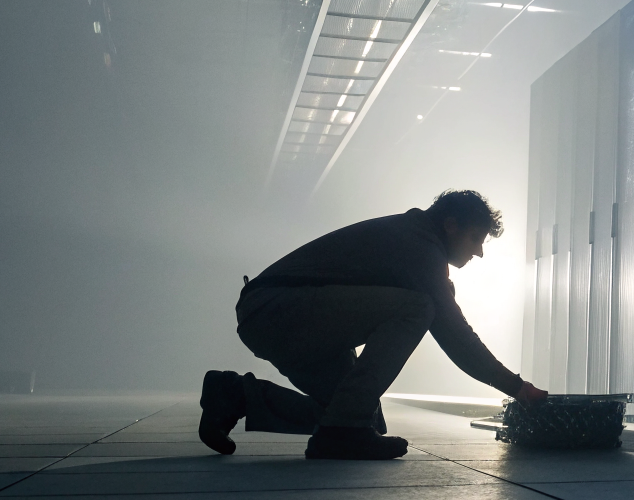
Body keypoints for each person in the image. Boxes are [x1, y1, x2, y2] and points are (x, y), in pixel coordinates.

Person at [198, 190, 547, 460]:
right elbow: (456, 337)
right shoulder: (420, 246)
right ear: (450, 225)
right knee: (418, 308)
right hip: (276, 309)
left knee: (362, 421)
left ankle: (234, 395)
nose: (480, 253)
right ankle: (340, 430)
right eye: (475, 238)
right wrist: (517, 387)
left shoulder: (416, 241)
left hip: (285, 317)